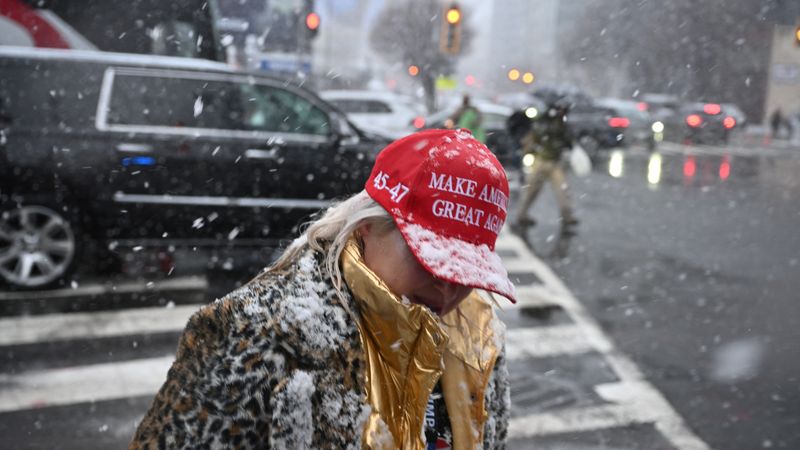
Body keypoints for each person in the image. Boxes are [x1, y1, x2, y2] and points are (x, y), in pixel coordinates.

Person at [128, 129, 515, 449]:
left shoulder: (477, 337)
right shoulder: (257, 332)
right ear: (368, 225)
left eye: (467, 272)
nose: (449, 291)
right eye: (430, 261)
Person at [512, 99, 578, 232]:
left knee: (562, 190)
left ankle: (567, 216)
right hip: (541, 160)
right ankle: (521, 215)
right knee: (531, 190)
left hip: (554, 162)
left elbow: (568, 141)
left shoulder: (562, 125)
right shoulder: (545, 121)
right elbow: (536, 135)